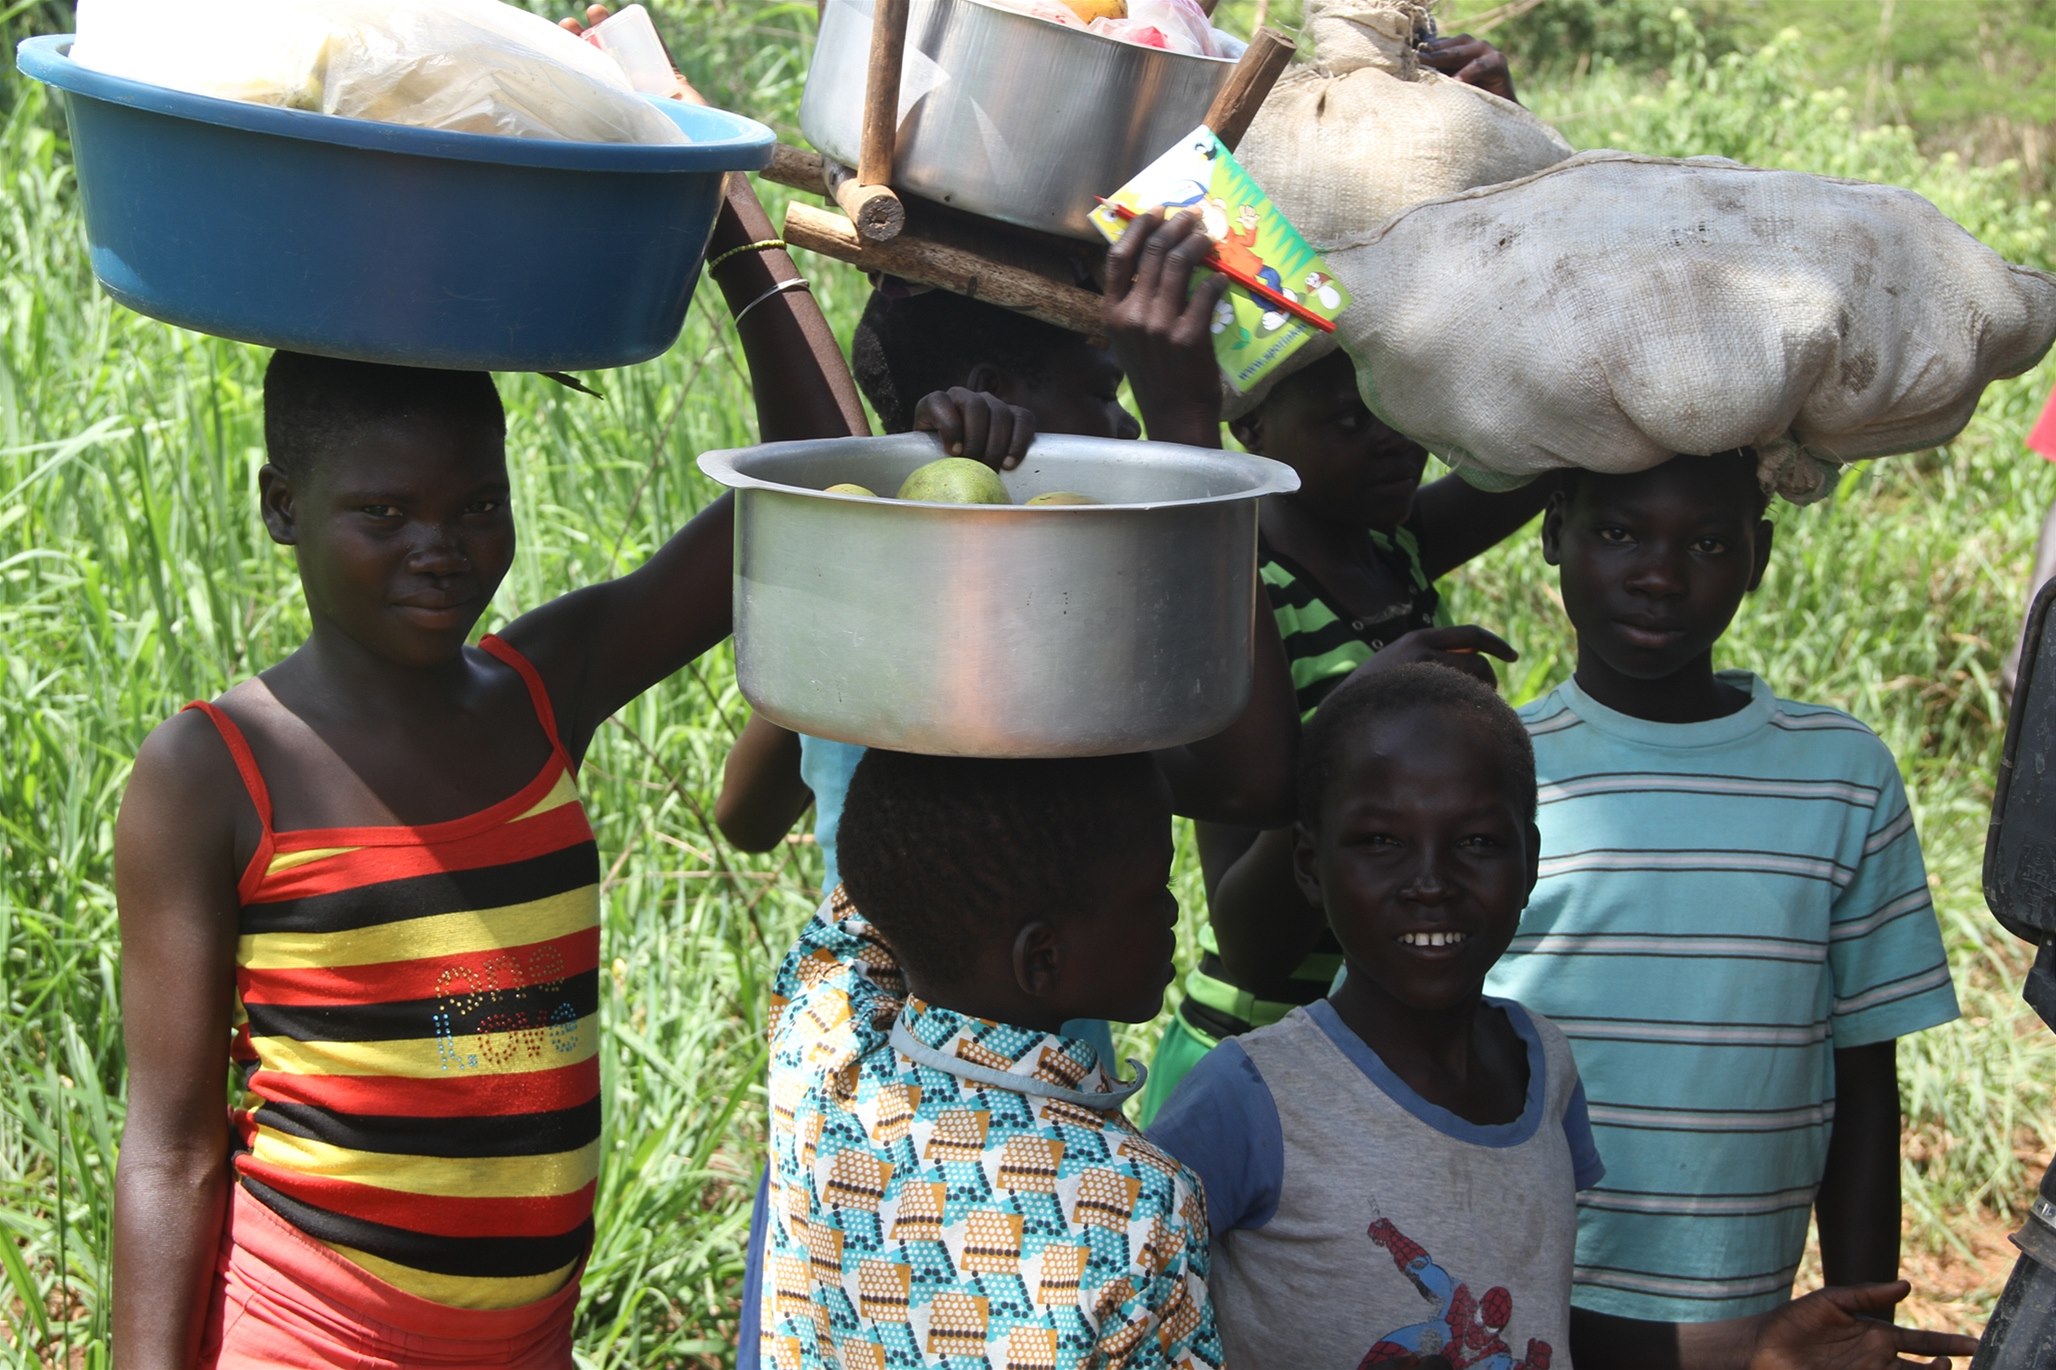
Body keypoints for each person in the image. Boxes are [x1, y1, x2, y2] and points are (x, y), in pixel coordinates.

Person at [107, 196, 1033, 1363]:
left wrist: (733, 231)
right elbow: (171, 1148)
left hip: (530, 1335)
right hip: (309, 1328)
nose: (439, 547)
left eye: (476, 506)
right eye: (382, 512)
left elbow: (808, 501)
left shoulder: (540, 692)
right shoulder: (215, 771)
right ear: (281, 506)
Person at [1148, 661, 1978, 1369]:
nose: (1430, 881)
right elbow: (1121, 1307)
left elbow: (1544, 1328)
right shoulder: (1252, 1099)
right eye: (1380, 842)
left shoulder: (1540, 1068)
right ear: (1309, 864)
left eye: (1477, 842)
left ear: (1531, 862)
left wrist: (1756, 1349)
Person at [1482, 452, 1960, 1324]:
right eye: (1618, 533)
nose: (1659, 577)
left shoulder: (1841, 777)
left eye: (1706, 543)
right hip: (1502, 1305)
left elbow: (1863, 1080)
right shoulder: (1492, 771)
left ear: (1759, 557)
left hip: (1733, 1317)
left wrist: (1862, 1319)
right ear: (1553, 531)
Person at [1134, 340, 1552, 1122]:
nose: (1392, 440)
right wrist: (1357, 719)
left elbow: (1551, 453)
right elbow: (1250, 944)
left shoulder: (1392, 548)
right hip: (1258, 1063)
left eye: (1400, 407)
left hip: (1383, 1055)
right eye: (1350, 421)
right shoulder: (1243, 595)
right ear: (1250, 426)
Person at [762, 748, 1225, 1369]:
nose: (1173, 912)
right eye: (1155, 890)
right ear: (1043, 958)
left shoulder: (820, 1043)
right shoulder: (1141, 1202)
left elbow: (881, 881)